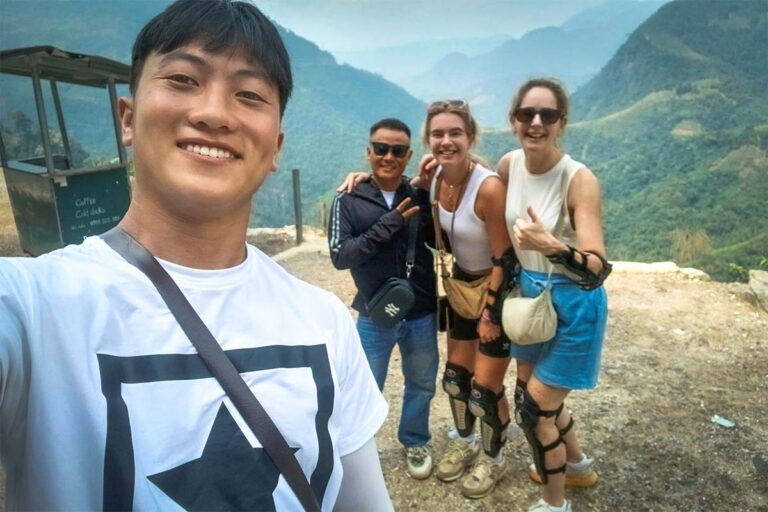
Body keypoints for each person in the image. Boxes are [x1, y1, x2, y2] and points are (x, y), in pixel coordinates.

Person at [0, 1, 393, 510]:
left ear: (275, 148)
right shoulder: (31, 310)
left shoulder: (324, 323)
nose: (212, 113)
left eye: (249, 94)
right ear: (128, 116)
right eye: (183, 79)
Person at [497, 78, 611, 512]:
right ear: (514, 121)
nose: (537, 123)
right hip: (530, 295)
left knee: (535, 410)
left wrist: (555, 247)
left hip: (574, 300)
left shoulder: (579, 180)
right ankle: (577, 466)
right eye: (527, 114)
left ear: (562, 122)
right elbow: (474, 183)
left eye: (548, 115)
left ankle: (554, 502)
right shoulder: (510, 165)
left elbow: (598, 268)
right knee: (537, 398)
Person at [327, 118, 439, 481]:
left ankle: (414, 439)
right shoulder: (348, 199)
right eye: (380, 148)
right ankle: (359, 451)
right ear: (368, 151)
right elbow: (341, 255)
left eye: (397, 150)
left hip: (420, 308)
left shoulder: (421, 195)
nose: (388, 156)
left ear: (408, 156)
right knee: (364, 386)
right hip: (375, 311)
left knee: (421, 381)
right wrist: (390, 222)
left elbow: (444, 240)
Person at [417, 100, 516, 499]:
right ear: (428, 139)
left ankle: (494, 458)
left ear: (471, 137)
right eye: (438, 134)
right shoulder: (437, 178)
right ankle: (467, 440)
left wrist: (491, 311)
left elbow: (505, 258)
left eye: (455, 133)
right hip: (460, 285)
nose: (446, 141)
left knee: (484, 389)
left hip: (498, 289)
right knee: (456, 380)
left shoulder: (488, 188)